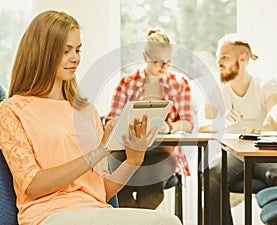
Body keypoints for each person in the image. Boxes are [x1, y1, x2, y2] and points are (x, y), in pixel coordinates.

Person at [0, 10, 182, 225]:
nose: (75, 58)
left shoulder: (86, 111)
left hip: (95, 211)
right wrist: (97, 152)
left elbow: (102, 191)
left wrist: (134, 159)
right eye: (66, 50)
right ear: (42, 52)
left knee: (169, 221)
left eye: (78, 50)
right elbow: (33, 185)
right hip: (48, 215)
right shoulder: (12, 110)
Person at [200, 33, 277, 225]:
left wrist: (264, 127)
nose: (218, 62)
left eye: (225, 57)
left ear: (242, 59)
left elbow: (276, 111)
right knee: (211, 174)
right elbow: (203, 123)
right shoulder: (218, 89)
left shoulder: (264, 82)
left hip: (264, 150)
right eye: (218, 57)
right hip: (233, 154)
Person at [104, 29, 194, 209]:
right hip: (126, 148)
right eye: (157, 62)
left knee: (151, 187)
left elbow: (188, 123)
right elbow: (111, 120)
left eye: (168, 62)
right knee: (117, 183)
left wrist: (168, 126)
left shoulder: (179, 83)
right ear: (144, 56)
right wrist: (125, 125)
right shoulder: (127, 83)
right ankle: (133, 220)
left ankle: (137, 219)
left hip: (161, 152)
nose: (163, 67)